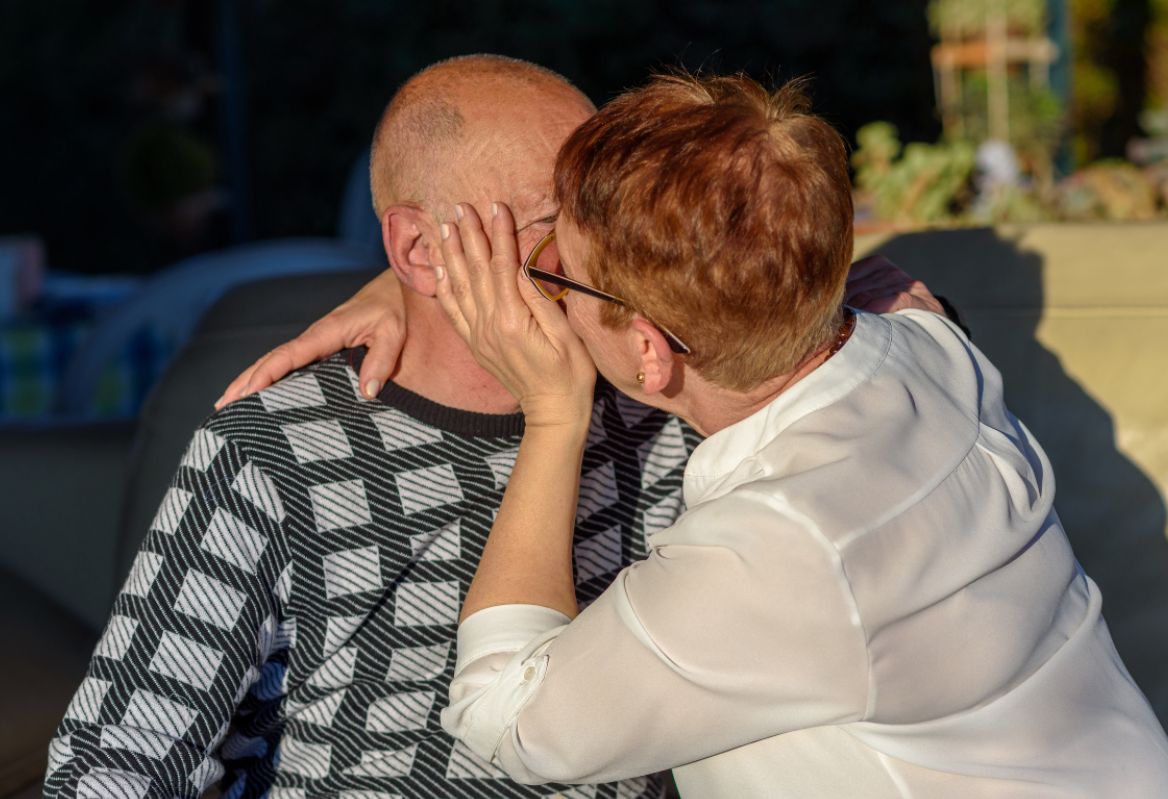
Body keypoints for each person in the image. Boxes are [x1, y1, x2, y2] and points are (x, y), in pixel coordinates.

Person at [46, 56, 940, 799]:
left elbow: (861, 316)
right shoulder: (276, 450)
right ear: (422, 250)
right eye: (563, 231)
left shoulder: (669, 390)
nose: (614, 260)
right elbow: (114, 766)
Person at [425, 73, 1168, 797]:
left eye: (560, 272)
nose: (544, 280)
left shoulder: (778, 548)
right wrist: (407, 290)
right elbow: (883, 287)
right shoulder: (925, 343)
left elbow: (507, 716)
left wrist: (553, 416)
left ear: (650, 351)